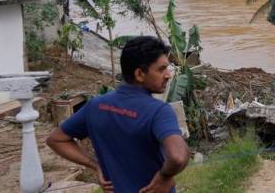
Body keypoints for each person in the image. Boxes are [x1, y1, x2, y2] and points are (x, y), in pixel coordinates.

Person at [46, 37, 189, 192]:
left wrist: (95, 165)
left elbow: (56, 140)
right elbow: (178, 156)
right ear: (140, 74)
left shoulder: (96, 105)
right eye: (161, 69)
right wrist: (164, 177)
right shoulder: (159, 111)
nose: (168, 75)